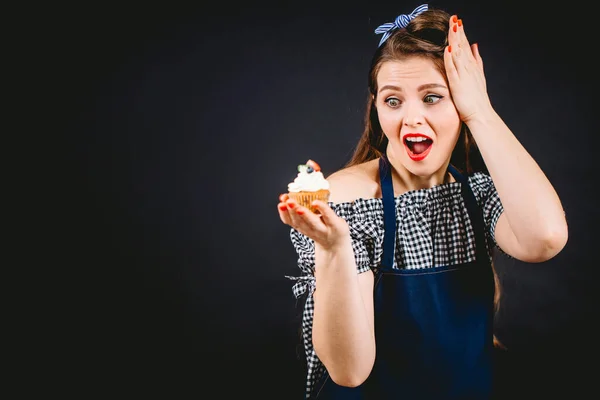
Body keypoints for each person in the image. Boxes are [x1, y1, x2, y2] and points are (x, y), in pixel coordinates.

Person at [276, 4, 568, 399]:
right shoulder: (347, 201)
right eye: (393, 101)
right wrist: (335, 249)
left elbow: (545, 238)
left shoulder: (477, 194)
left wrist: (480, 110)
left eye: (432, 97)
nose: (411, 118)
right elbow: (349, 371)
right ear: (377, 108)